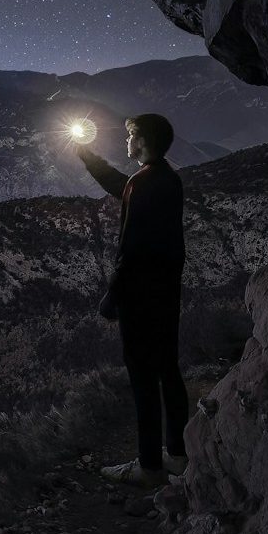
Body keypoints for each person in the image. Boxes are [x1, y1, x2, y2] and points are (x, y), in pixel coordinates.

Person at [76, 113, 188, 488]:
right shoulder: (165, 178)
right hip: (166, 293)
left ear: (141, 140)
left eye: (131, 136)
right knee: (168, 371)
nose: (127, 142)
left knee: (142, 378)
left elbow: (131, 250)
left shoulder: (146, 183)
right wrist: (89, 158)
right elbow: (123, 187)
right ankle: (177, 453)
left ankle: (149, 466)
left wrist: (113, 295)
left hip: (141, 298)